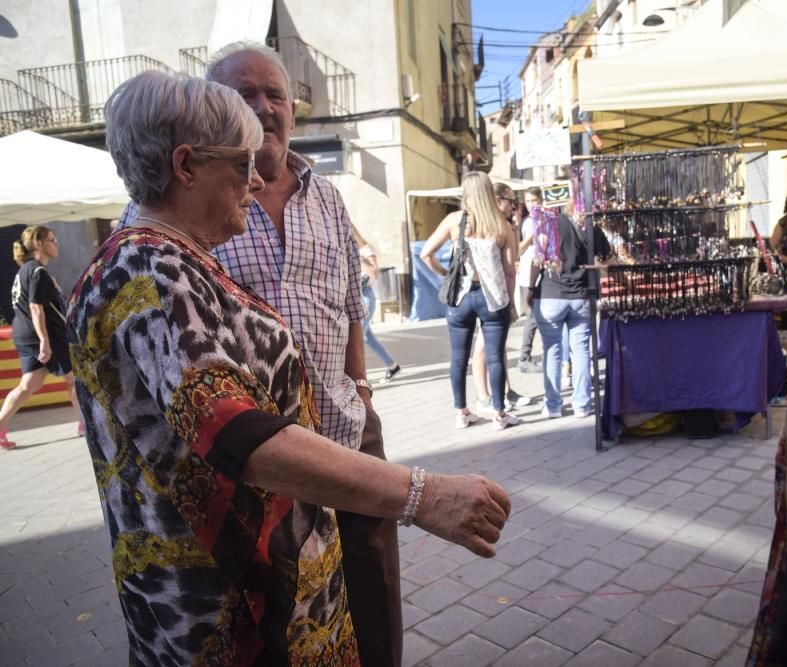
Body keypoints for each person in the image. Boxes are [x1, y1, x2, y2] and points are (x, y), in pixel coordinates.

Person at [74, 70, 510, 666]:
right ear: (186, 166)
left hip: (262, 592)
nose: (255, 180)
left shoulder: (172, 260)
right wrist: (421, 495)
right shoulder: (150, 273)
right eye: (241, 163)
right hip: (232, 614)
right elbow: (237, 434)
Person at [116, 42, 404, 667]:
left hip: (338, 425)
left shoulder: (324, 196)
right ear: (187, 161)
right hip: (251, 481)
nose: (263, 108)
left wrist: (359, 387)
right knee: (285, 606)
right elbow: (227, 425)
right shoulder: (152, 248)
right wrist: (425, 494)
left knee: (365, 591)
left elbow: (349, 300)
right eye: (243, 97)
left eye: (274, 94)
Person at [420, 172, 521, 430]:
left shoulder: (455, 221)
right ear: (489, 192)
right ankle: (499, 414)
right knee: (496, 356)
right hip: (493, 299)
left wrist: (446, 275)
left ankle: (462, 412)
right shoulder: (502, 225)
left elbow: (425, 254)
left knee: (458, 358)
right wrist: (510, 303)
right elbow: (510, 270)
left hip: (461, 297)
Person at [0, 227, 82, 449]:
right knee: (74, 379)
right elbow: (35, 307)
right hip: (46, 336)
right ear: (38, 244)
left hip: (24, 335)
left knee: (28, 385)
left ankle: (0, 426)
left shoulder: (24, 271)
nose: (57, 244)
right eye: (52, 240)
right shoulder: (38, 272)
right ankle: (85, 423)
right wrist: (44, 340)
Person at [527, 203, 612, 419]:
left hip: (550, 294)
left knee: (552, 350)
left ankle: (553, 405)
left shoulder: (550, 224)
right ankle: (582, 404)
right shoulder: (592, 228)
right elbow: (605, 260)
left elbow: (537, 261)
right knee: (581, 350)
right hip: (581, 296)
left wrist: (529, 289)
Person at [470, 182, 531, 412]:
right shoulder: (483, 225)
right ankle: (484, 396)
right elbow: (509, 267)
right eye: (510, 201)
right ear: (497, 199)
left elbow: (512, 259)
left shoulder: (502, 225)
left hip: (495, 294)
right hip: (485, 295)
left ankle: (504, 391)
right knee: (484, 345)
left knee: (497, 345)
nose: (513, 206)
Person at [351, 224, 401, 383]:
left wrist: (356, 257)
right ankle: (392, 366)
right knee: (367, 338)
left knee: (357, 340)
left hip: (365, 295)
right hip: (355, 296)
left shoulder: (365, 250)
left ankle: (359, 379)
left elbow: (374, 273)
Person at [515, 187, 544, 373]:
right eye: (528, 201)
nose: (532, 204)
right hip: (528, 276)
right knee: (532, 318)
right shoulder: (524, 224)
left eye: (534, 200)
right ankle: (524, 357)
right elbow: (518, 250)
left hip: (545, 274)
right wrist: (532, 237)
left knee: (544, 317)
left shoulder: (548, 219)